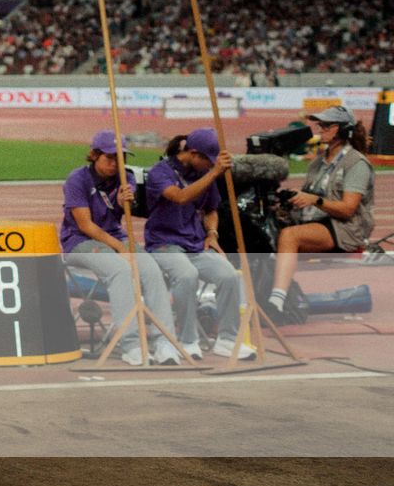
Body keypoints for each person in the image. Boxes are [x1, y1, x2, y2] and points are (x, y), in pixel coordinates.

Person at [61, 132, 182, 366]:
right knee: (121, 270)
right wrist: (120, 248)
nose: (116, 163)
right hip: (80, 242)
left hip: (116, 239)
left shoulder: (126, 177)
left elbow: (123, 210)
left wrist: (125, 202)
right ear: (94, 155)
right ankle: (131, 344)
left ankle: (165, 341)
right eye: (109, 157)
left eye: (121, 157)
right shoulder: (77, 180)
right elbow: (86, 225)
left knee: (151, 270)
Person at [264, 105, 377, 322]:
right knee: (266, 230)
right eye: (320, 124)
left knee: (290, 237)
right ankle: (264, 291)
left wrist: (314, 200)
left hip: (346, 228)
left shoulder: (356, 163)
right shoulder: (319, 161)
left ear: (341, 130)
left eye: (326, 125)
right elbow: (309, 195)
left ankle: (276, 302)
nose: (320, 129)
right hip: (320, 221)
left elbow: (347, 209)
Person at [142, 129, 246, 360]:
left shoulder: (204, 173)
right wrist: (214, 173)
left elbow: (211, 209)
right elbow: (180, 197)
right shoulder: (161, 172)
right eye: (207, 161)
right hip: (163, 243)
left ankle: (228, 339)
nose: (209, 166)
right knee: (187, 275)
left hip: (194, 242)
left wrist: (212, 233)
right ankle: (188, 339)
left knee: (229, 275)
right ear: (193, 153)